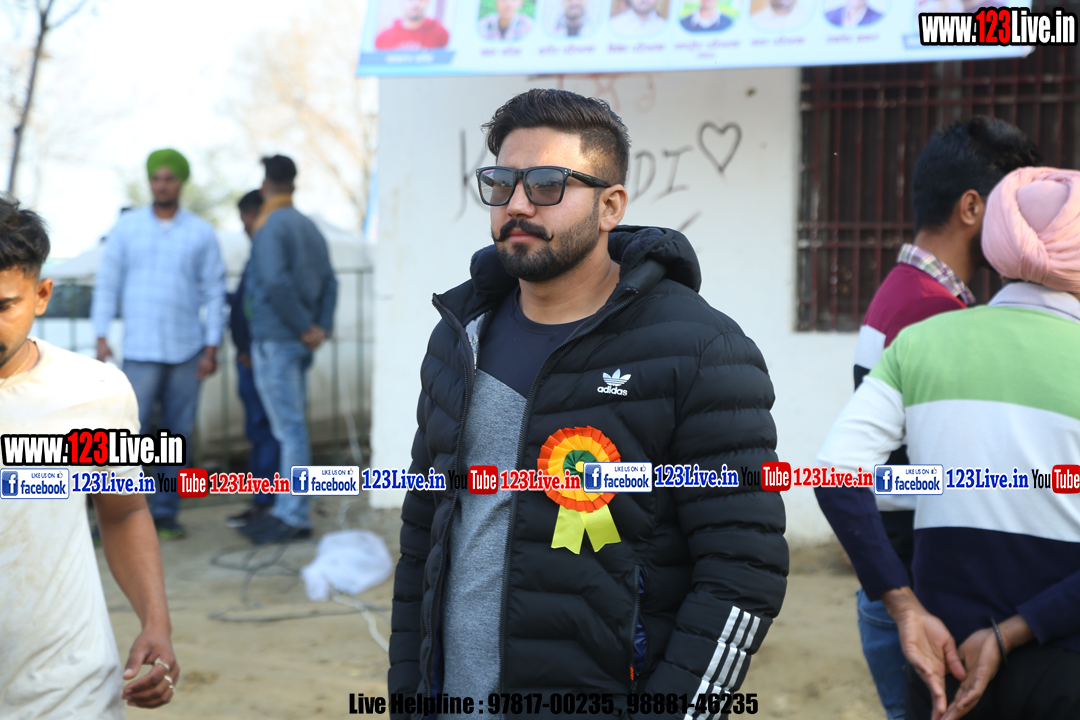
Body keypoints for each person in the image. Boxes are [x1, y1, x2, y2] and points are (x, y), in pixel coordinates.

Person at [388, 89, 788, 717]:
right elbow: (422, 535)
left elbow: (744, 569)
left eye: (548, 184)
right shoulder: (457, 340)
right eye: (501, 183)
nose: (518, 204)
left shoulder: (701, 350)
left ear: (610, 205)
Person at [817, 166, 1080, 720]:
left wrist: (903, 606)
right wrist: (1013, 632)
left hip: (942, 666)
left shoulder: (920, 344)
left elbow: (834, 473)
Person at [0, 197, 180, 717]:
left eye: (3, 306)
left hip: (67, 691)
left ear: (41, 295)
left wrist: (156, 621)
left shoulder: (93, 393)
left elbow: (123, 511)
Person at [91, 148, 227, 540]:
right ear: (149, 182)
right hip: (140, 349)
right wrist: (101, 335)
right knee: (125, 434)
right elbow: (108, 283)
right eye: (156, 178)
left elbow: (215, 291)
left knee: (175, 436)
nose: (162, 185)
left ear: (180, 183)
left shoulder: (201, 232)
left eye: (169, 178)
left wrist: (211, 347)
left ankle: (165, 513)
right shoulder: (128, 227)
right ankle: (117, 515)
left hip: (187, 349)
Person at [240, 155, 337, 544]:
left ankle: (293, 515)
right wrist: (319, 327)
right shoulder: (309, 227)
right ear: (293, 185)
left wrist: (303, 327)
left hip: (278, 340)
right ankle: (285, 510)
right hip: (296, 341)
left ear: (265, 186)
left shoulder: (269, 226)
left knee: (289, 432)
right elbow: (331, 282)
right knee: (290, 430)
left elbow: (275, 282)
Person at [224, 190, 281, 529]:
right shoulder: (258, 252)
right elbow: (246, 301)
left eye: (246, 217)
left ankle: (268, 503)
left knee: (266, 432)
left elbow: (264, 303)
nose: (245, 225)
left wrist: (250, 348)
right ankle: (262, 501)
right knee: (258, 432)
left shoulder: (267, 252)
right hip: (248, 356)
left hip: (258, 357)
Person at [374, 0, 450, 49]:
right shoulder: (383, 38)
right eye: (410, 0)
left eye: (420, 0)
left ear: (428, 1)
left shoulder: (440, 34)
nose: (415, 4)